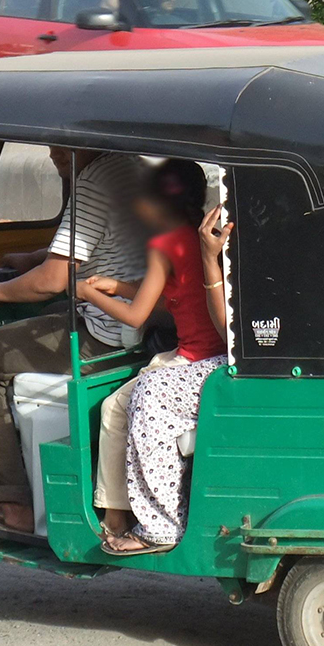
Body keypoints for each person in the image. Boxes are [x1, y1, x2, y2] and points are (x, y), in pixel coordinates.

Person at [0, 147, 146, 534]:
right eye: (51, 144)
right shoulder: (132, 165)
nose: (54, 154)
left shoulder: (94, 182)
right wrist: (34, 258)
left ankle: (6, 501)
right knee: (33, 320)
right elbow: (84, 248)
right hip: (133, 328)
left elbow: (54, 280)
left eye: (62, 144)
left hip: (102, 334)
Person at [71, 160, 224, 540]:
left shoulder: (163, 244)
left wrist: (86, 291)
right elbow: (173, 297)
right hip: (212, 355)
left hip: (192, 359)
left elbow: (138, 315)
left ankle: (117, 517)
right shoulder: (195, 235)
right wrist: (119, 286)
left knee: (113, 409)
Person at [104, 201, 232, 556]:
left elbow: (226, 330)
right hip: (225, 357)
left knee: (147, 395)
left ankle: (159, 524)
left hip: (231, 362)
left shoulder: (174, 243)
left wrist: (210, 259)